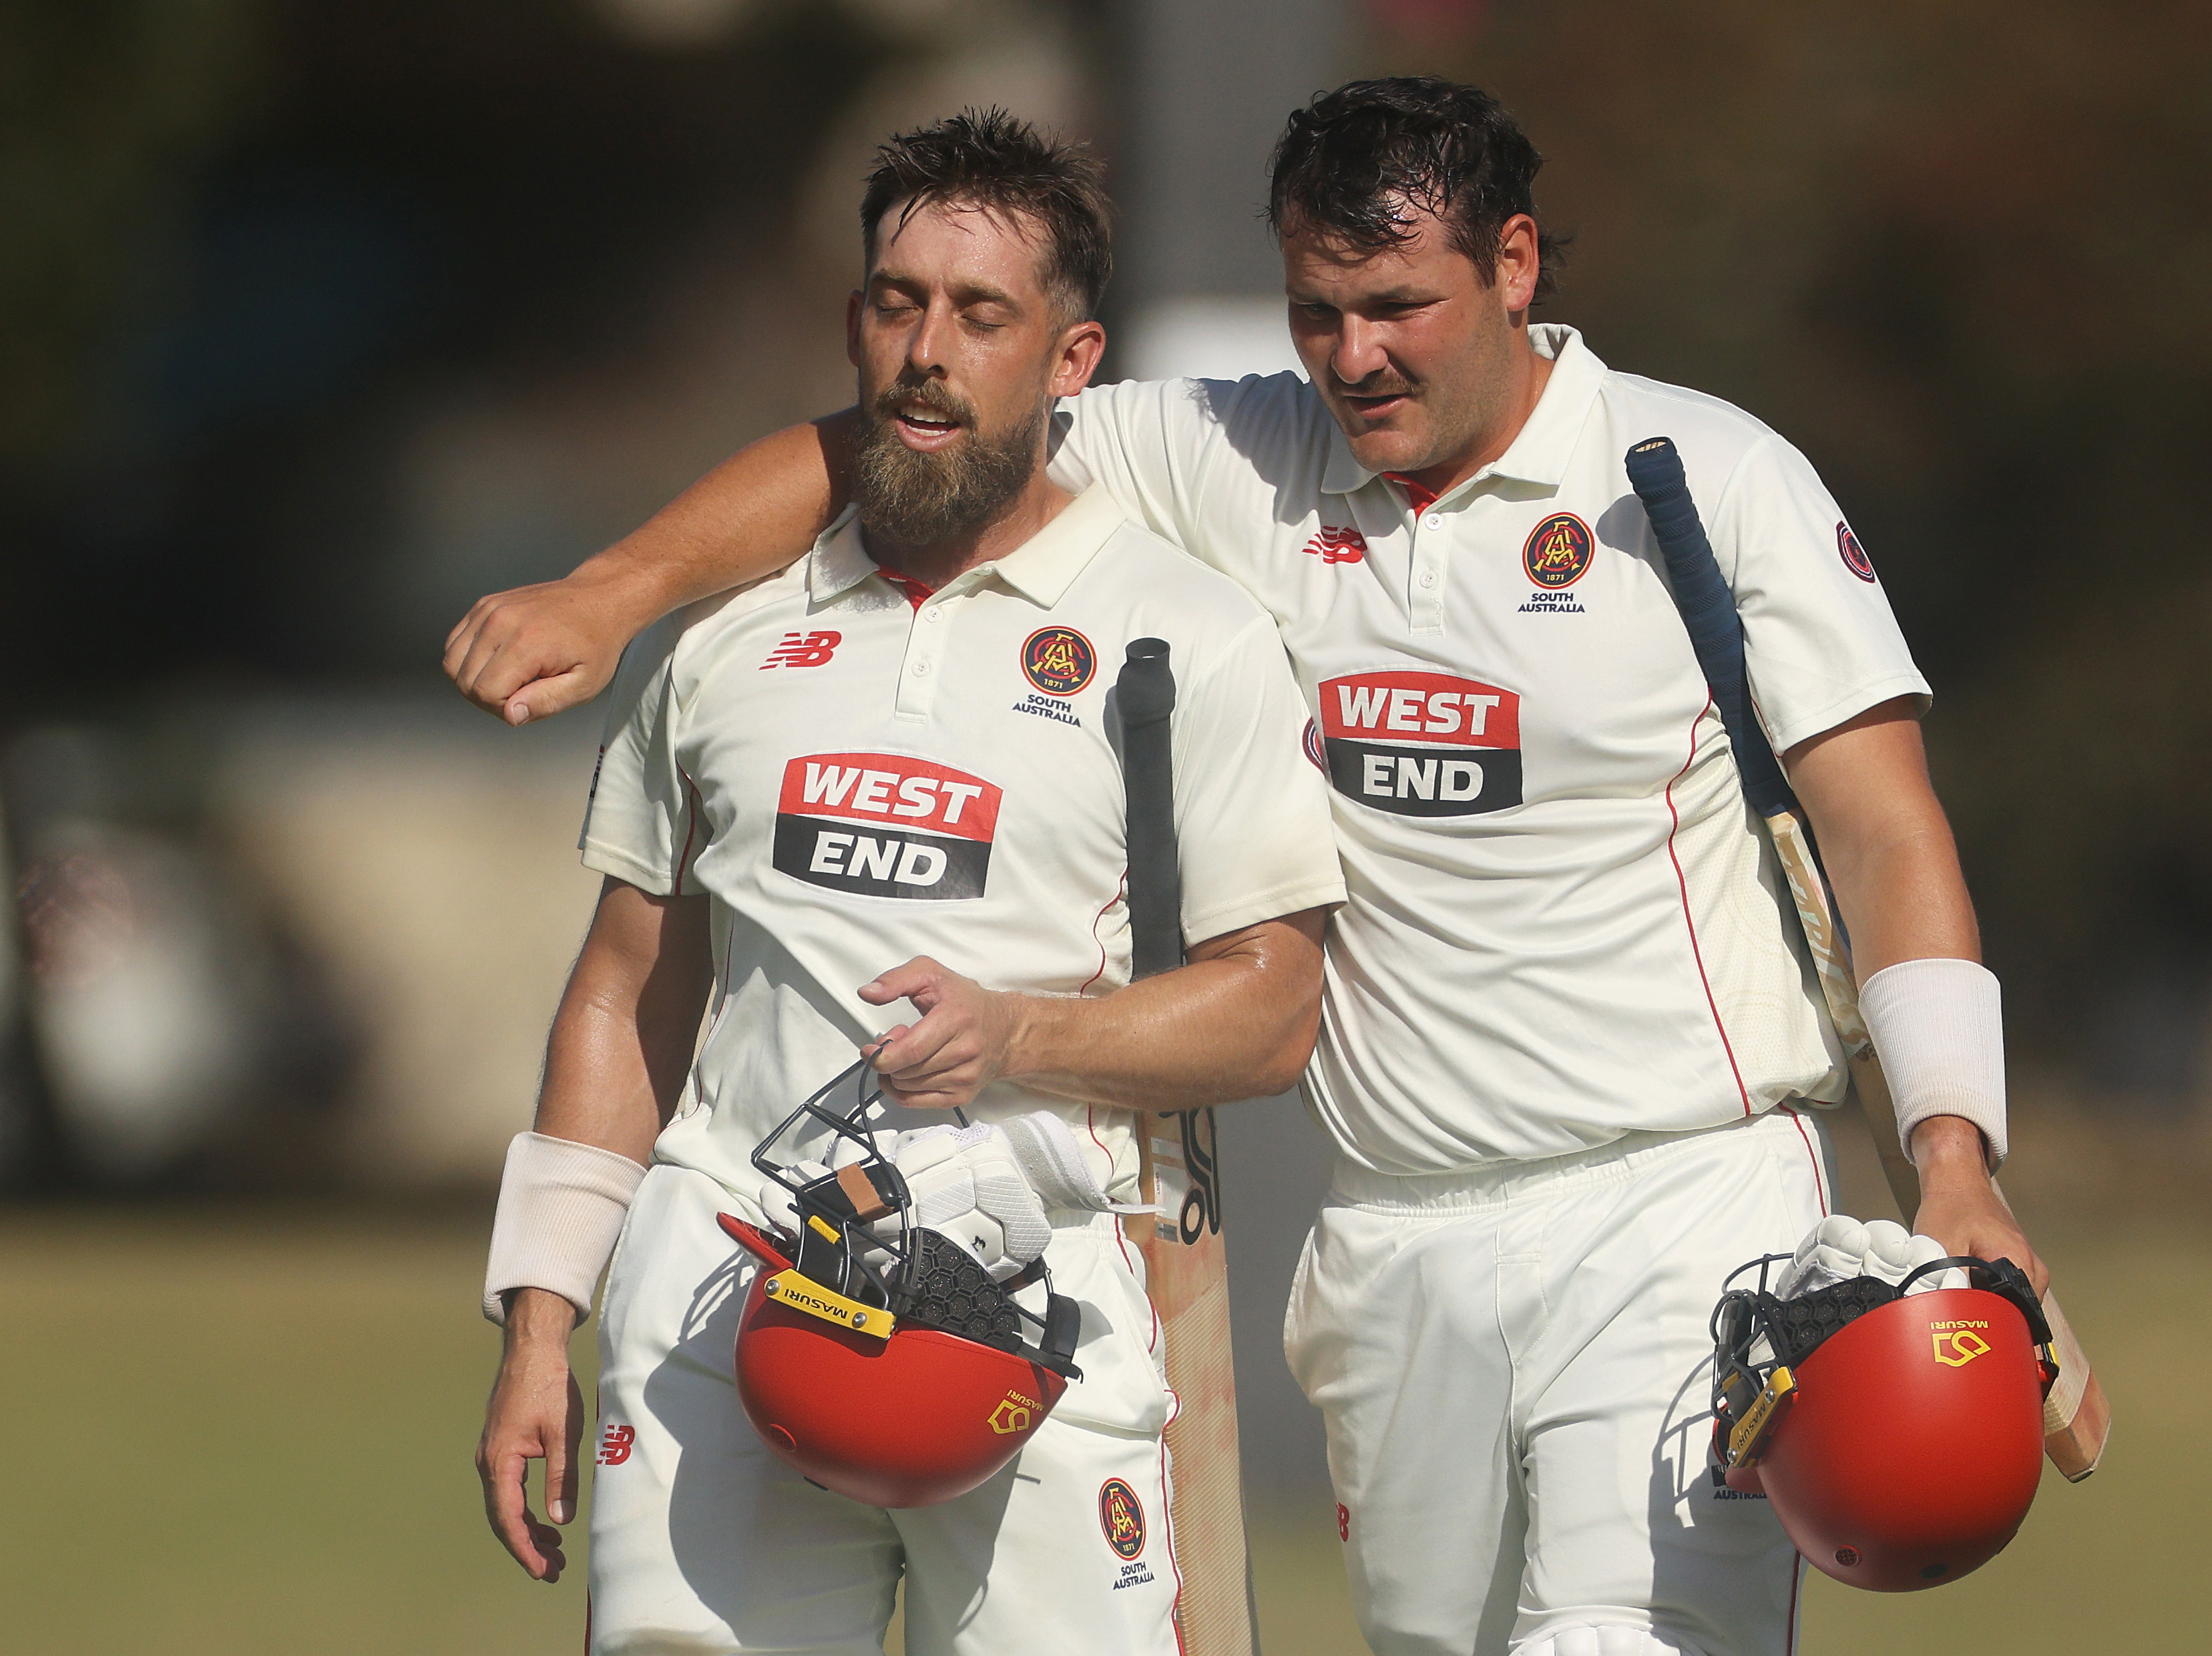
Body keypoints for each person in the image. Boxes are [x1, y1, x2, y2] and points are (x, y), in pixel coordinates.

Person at [454, 77, 2044, 1656]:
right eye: (1316, 311)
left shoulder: (1700, 480)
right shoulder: (1232, 451)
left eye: (1399, 306)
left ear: (1512, 265)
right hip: (1394, 1227)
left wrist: (1949, 1150)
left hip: (1675, 1193)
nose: (1354, 358)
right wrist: (617, 593)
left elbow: (1885, 833)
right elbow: (903, 426)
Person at [471, 112, 1345, 1656]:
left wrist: (1023, 1035)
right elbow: (625, 989)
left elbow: (1274, 1014)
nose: (926, 349)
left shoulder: (1183, 634)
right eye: (896, 302)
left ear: (1069, 361)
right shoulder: (723, 636)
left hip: (1038, 1296)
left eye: (981, 314)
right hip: (722, 1288)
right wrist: (543, 1314)